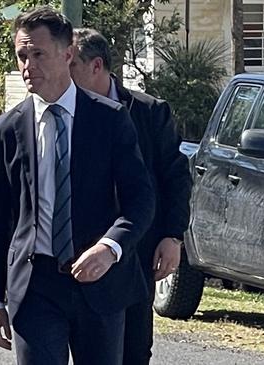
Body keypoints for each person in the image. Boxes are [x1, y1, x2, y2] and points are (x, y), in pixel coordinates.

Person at [0, 6, 156, 365]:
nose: (28, 65)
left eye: (38, 54)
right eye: (21, 56)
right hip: (35, 286)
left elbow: (140, 200)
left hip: (100, 282)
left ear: (67, 54)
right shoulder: (6, 129)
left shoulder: (110, 118)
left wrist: (110, 248)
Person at [70, 28, 192, 365]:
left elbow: (175, 177)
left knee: (134, 349)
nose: (63, 74)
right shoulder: (63, 113)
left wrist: (172, 235)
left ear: (96, 66)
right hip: (78, 251)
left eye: (71, 65)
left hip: (136, 252)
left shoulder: (149, 112)